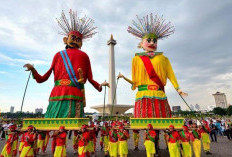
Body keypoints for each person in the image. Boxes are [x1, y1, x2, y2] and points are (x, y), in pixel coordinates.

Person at [23, 10, 109, 118]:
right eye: (73, 38)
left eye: (78, 39)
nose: (75, 41)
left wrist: (100, 85)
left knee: (66, 125)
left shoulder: (84, 56)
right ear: (65, 39)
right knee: (62, 125)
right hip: (61, 94)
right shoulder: (58, 55)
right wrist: (33, 70)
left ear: (81, 43)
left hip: (69, 94)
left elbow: (90, 78)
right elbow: (43, 77)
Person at [118, 13, 187, 118]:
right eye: (148, 40)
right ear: (141, 44)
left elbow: (171, 74)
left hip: (159, 95)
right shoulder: (136, 59)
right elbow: (135, 81)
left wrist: (178, 88)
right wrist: (124, 78)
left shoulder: (163, 58)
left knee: (162, 125)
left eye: (154, 41)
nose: (152, 43)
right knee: (144, 126)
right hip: (143, 95)